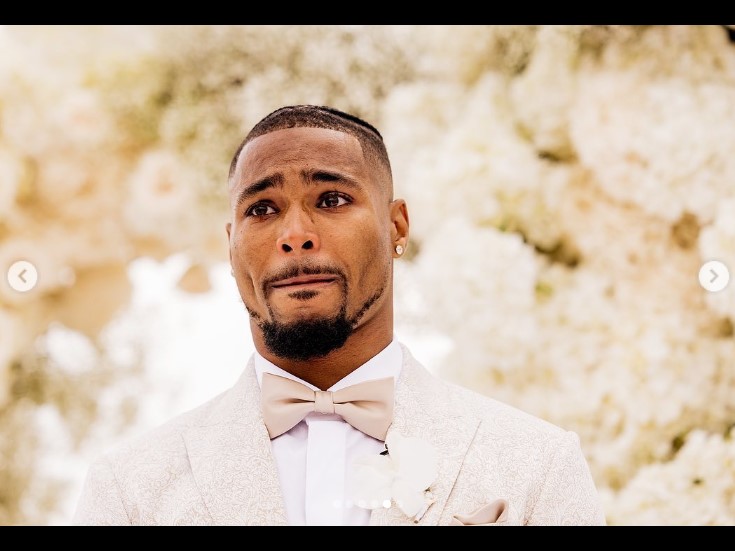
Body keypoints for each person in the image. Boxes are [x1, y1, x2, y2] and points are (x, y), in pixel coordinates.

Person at [72, 105, 606, 526]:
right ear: (231, 244)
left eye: (330, 199)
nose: (295, 234)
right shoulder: (128, 488)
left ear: (397, 226)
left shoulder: (538, 463)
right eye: (262, 209)